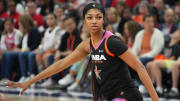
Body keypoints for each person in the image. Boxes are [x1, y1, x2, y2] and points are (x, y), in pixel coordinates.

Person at [6, 3, 159, 101]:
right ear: (84, 21)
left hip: (127, 95)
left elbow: (139, 67)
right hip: (110, 96)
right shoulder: (87, 45)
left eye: (98, 17)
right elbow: (60, 64)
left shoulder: (112, 42)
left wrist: (155, 100)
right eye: (90, 18)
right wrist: (30, 82)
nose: (94, 21)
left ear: (103, 20)